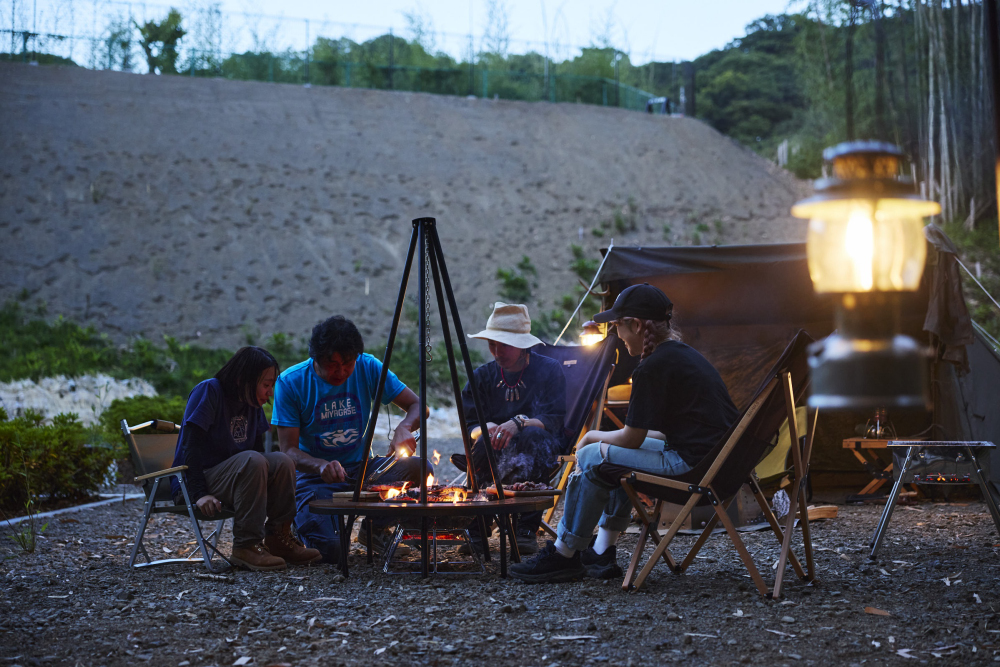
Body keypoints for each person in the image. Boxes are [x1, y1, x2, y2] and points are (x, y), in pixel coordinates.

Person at [510, 284, 738, 583]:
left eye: (618, 326)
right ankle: (602, 551)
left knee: (593, 454)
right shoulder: (682, 356)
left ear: (637, 325)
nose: (616, 335)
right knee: (612, 460)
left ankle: (563, 553)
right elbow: (660, 435)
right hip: (717, 466)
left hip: (692, 469)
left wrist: (592, 438)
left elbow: (632, 439)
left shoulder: (653, 366)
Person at [271, 315, 430, 563]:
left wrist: (405, 427)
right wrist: (320, 465)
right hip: (314, 479)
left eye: (347, 363)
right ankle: (300, 525)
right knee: (333, 553)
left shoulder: (368, 366)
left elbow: (419, 405)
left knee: (420, 468)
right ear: (316, 357)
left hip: (364, 471)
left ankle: (376, 528)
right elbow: (288, 450)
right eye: (331, 364)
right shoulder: (291, 383)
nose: (341, 371)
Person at [171, 346, 321, 571]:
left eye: (271, 386)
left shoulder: (251, 403)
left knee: (282, 460)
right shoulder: (210, 391)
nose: (269, 392)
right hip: (197, 480)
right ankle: (245, 545)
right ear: (243, 379)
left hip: (235, 477)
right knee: (254, 460)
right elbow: (189, 447)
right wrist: (199, 494)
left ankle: (278, 537)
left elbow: (263, 455)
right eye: (266, 384)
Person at [457, 302, 567, 555]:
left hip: (538, 444)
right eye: (492, 344)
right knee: (484, 439)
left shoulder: (549, 370)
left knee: (533, 435)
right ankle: (476, 526)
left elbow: (554, 419)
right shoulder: (482, 377)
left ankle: (525, 528)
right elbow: (470, 424)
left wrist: (518, 424)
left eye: (504, 344)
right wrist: (490, 428)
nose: (497, 351)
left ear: (523, 344)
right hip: (494, 448)